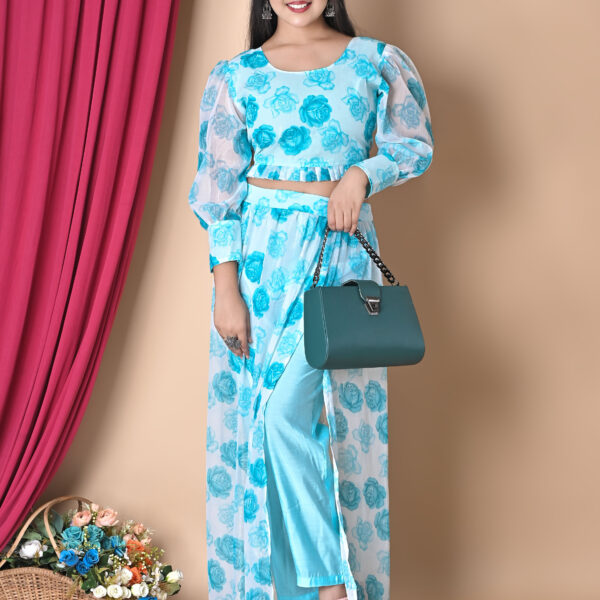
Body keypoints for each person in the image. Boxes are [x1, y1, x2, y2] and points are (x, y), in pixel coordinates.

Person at [187, 1, 434, 598]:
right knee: (264, 426)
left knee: (294, 417)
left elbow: (413, 145)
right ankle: (298, 588)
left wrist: (360, 176)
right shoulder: (237, 76)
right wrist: (225, 288)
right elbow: (218, 190)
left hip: (339, 257)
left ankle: (331, 584)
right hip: (260, 267)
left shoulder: (376, 62)